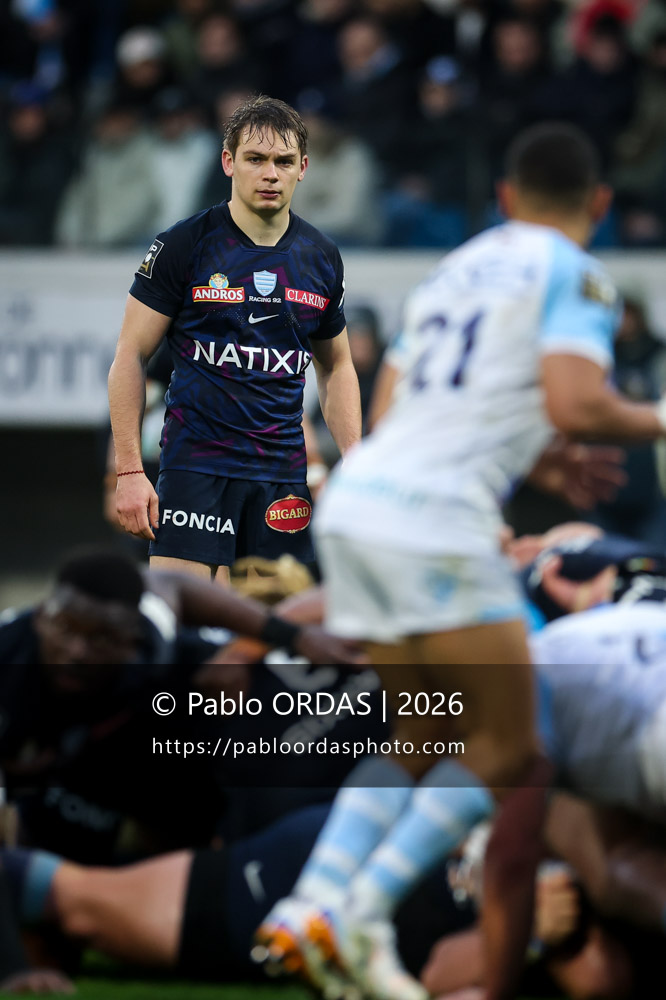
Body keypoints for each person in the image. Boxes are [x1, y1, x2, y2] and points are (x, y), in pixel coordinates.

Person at [256, 121, 666, 1000]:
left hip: (359, 504)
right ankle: (361, 907)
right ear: (598, 204)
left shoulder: (456, 267)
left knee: (423, 736)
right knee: (511, 749)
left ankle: (309, 902)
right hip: (436, 520)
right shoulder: (577, 273)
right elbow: (578, 401)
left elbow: (394, 409)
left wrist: (533, 453)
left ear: (505, 198)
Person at [108, 95, 361, 583]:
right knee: (184, 616)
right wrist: (129, 471)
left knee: (274, 624)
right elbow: (130, 355)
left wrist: (357, 466)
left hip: (282, 479)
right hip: (195, 469)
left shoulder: (322, 256)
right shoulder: (183, 244)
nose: (270, 174)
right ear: (228, 162)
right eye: (255, 159)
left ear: (303, 168)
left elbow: (337, 366)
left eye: (283, 161)